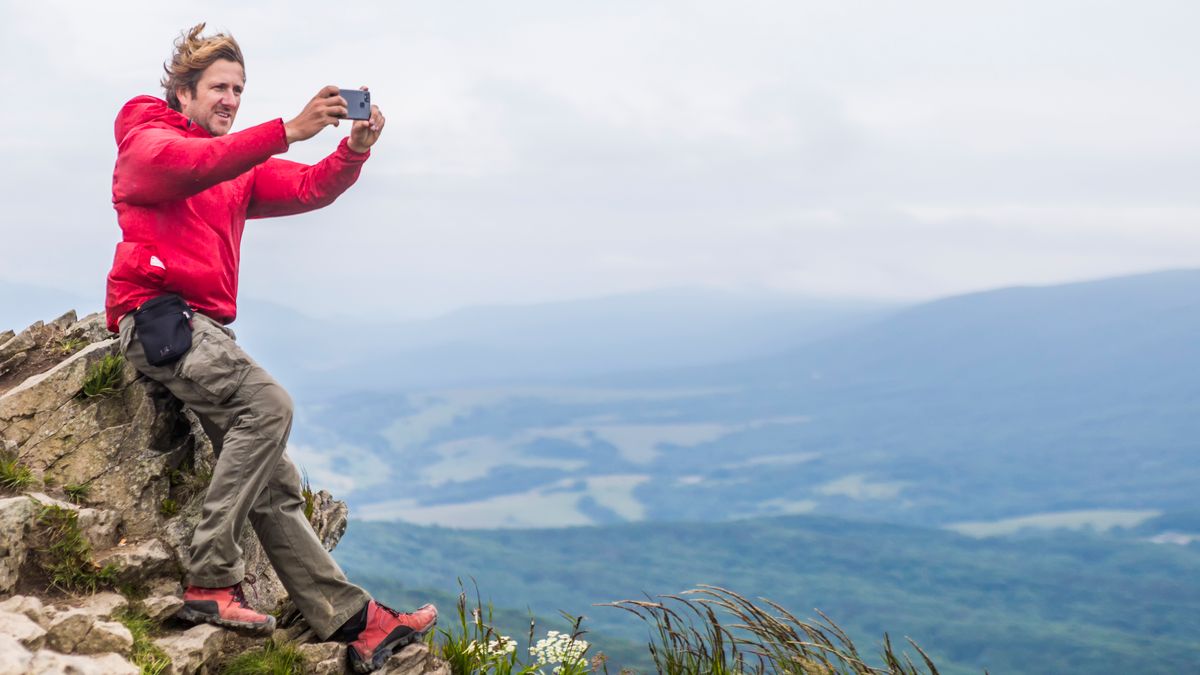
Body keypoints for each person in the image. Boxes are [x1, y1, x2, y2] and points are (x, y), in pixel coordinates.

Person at [104, 23, 436, 674]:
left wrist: (352, 152)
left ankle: (356, 622)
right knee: (269, 406)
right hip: (158, 317)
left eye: (239, 89)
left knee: (276, 484)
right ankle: (211, 579)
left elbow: (309, 186)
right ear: (183, 92)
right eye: (219, 88)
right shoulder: (148, 140)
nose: (231, 100)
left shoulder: (233, 166)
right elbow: (185, 164)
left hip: (203, 329)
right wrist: (288, 128)